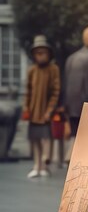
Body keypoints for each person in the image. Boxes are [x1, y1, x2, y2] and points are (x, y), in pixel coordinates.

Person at [63, 26, 88, 159]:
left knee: (77, 136)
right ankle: (75, 160)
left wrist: (66, 108)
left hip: (72, 108)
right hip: (87, 107)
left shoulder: (71, 58)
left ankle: (72, 159)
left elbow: (66, 84)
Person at [22, 35, 60, 178]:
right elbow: (27, 91)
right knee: (35, 138)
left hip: (46, 111)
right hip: (33, 111)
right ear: (34, 55)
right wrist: (26, 108)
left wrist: (49, 110)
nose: (40, 55)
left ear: (48, 54)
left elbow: (56, 92)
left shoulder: (53, 69)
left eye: (43, 52)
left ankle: (44, 164)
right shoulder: (31, 70)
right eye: (37, 53)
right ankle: (36, 165)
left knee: (46, 137)